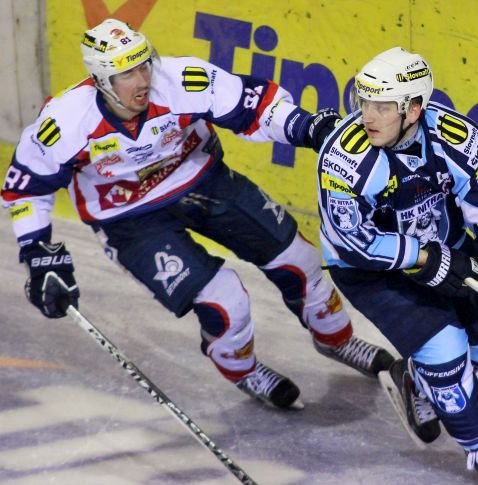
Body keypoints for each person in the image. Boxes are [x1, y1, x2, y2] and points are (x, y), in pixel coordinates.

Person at [1, 18, 393, 409]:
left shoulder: (181, 79)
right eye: (127, 74)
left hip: (203, 180)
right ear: (101, 81)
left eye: (143, 65)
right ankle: (243, 369)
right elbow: (25, 188)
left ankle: (336, 340)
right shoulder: (66, 122)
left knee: (299, 258)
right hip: (127, 218)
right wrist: (36, 252)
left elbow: (255, 107)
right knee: (227, 301)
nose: (142, 80)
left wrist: (306, 127)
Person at [316, 47, 478, 485]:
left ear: (414, 109)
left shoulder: (458, 139)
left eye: (383, 106)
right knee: (446, 353)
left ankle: (415, 379)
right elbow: (354, 240)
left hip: (447, 251)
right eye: (364, 102)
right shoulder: (346, 156)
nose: (367, 116)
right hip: (371, 271)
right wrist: (424, 257)